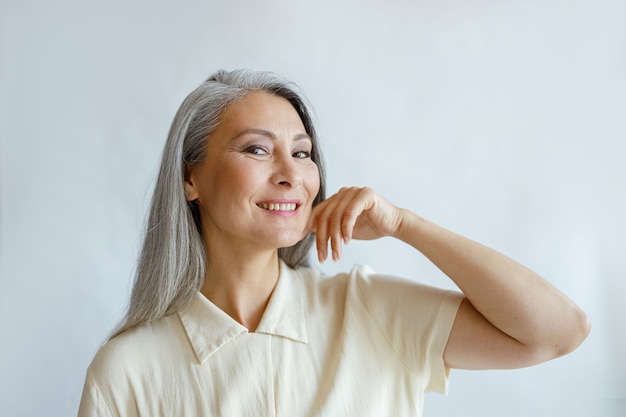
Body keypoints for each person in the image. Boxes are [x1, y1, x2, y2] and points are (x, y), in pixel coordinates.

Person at [78, 69, 590, 417]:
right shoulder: (127, 371)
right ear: (191, 179)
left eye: (302, 154)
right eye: (257, 149)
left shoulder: (370, 313)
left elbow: (558, 332)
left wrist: (404, 226)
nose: (291, 175)